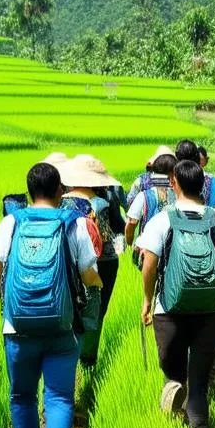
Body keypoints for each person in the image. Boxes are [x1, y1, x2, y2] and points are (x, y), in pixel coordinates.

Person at [0, 161, 102, 428]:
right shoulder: (73, 224)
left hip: (17, 328)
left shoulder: (11, 222)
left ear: (27, 191)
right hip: (62, 329)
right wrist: (94, 291)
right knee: (60, 396)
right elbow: (90, 275)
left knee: (21, 397)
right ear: (60, 191)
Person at [137, 158, 215, 428]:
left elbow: (149, 262)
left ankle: (175, 391)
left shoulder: (161, 220)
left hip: (171, 309)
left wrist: (148, 300)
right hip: (214, 310)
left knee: (173, 370)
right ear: (203, 184)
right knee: (200, 383)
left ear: (173, 183)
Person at [59, 153, 125, 367]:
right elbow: (119, 228)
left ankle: (68, 353)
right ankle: (88, 358)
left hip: (68, 261)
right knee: (97, 311)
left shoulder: (60, 203)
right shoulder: (105, 202)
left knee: (70, 307)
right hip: (104, 262)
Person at [125, 151, 177, 262]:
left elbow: (131, 223)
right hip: (174, 250)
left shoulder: (143, 196)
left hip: (147, 250)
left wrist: (129, 243)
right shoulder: (180, 196)